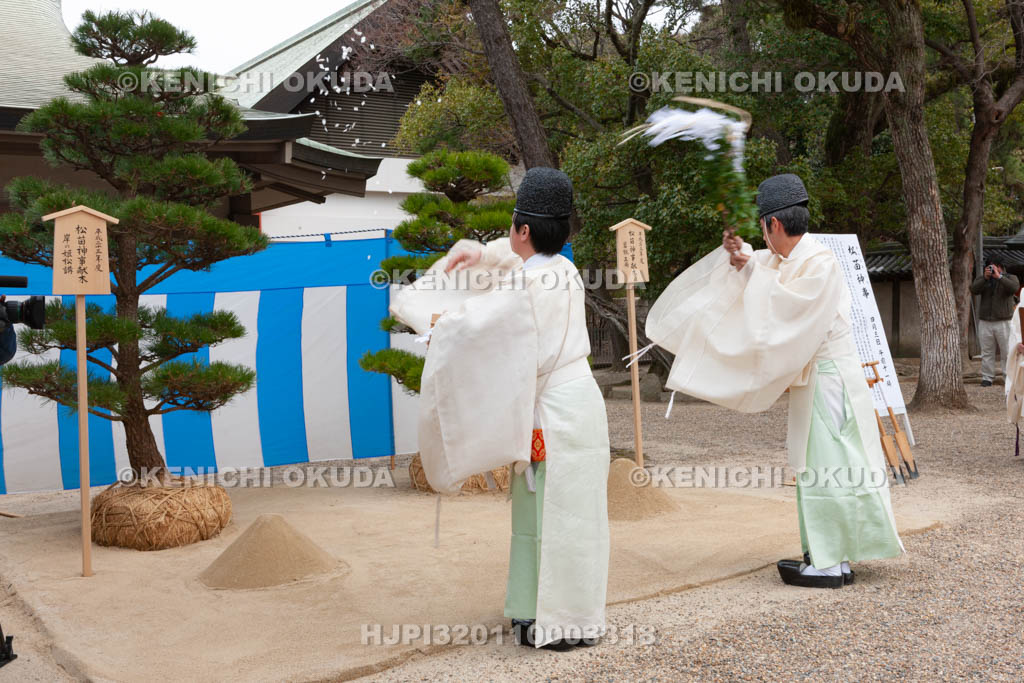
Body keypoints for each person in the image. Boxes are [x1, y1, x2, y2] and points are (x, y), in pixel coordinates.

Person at [644, 173, 903, 589]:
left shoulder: (819, 263)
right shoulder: (790, 260)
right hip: (819, 381)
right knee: (817, 464)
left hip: (830, 380)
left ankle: (830, 561)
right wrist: (739, 257)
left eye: (763, 228)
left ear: (775, 225)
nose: (762, 239)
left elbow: (784, 305)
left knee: (828, 466)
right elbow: (761, 273)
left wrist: (752, 269)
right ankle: (826, 553)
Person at [389, 167, 610, 648]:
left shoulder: (525, 286)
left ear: (524, 229)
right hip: (577, 403)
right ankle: (543, 611)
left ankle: (560, 621)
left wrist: (425, 323)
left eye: (513, 223)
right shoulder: (562, 268)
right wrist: (481, 250)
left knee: (554, 517)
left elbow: (468, 327)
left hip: (552, 410)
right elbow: (511, 262)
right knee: (561, 516)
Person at [970, 256, 1020, 387]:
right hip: (985, 321)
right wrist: (985, 278)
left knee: (1007, 351)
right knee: (986, 351)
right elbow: (974, 289)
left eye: (994, 266)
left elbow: (1014, 288)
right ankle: (987, 377)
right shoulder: (984, 279)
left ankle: (1007, 376)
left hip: (1004, 321)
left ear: (1001, 266)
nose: (992, 269)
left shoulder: (1010, 277)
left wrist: (1000, 277)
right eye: (989, 266)